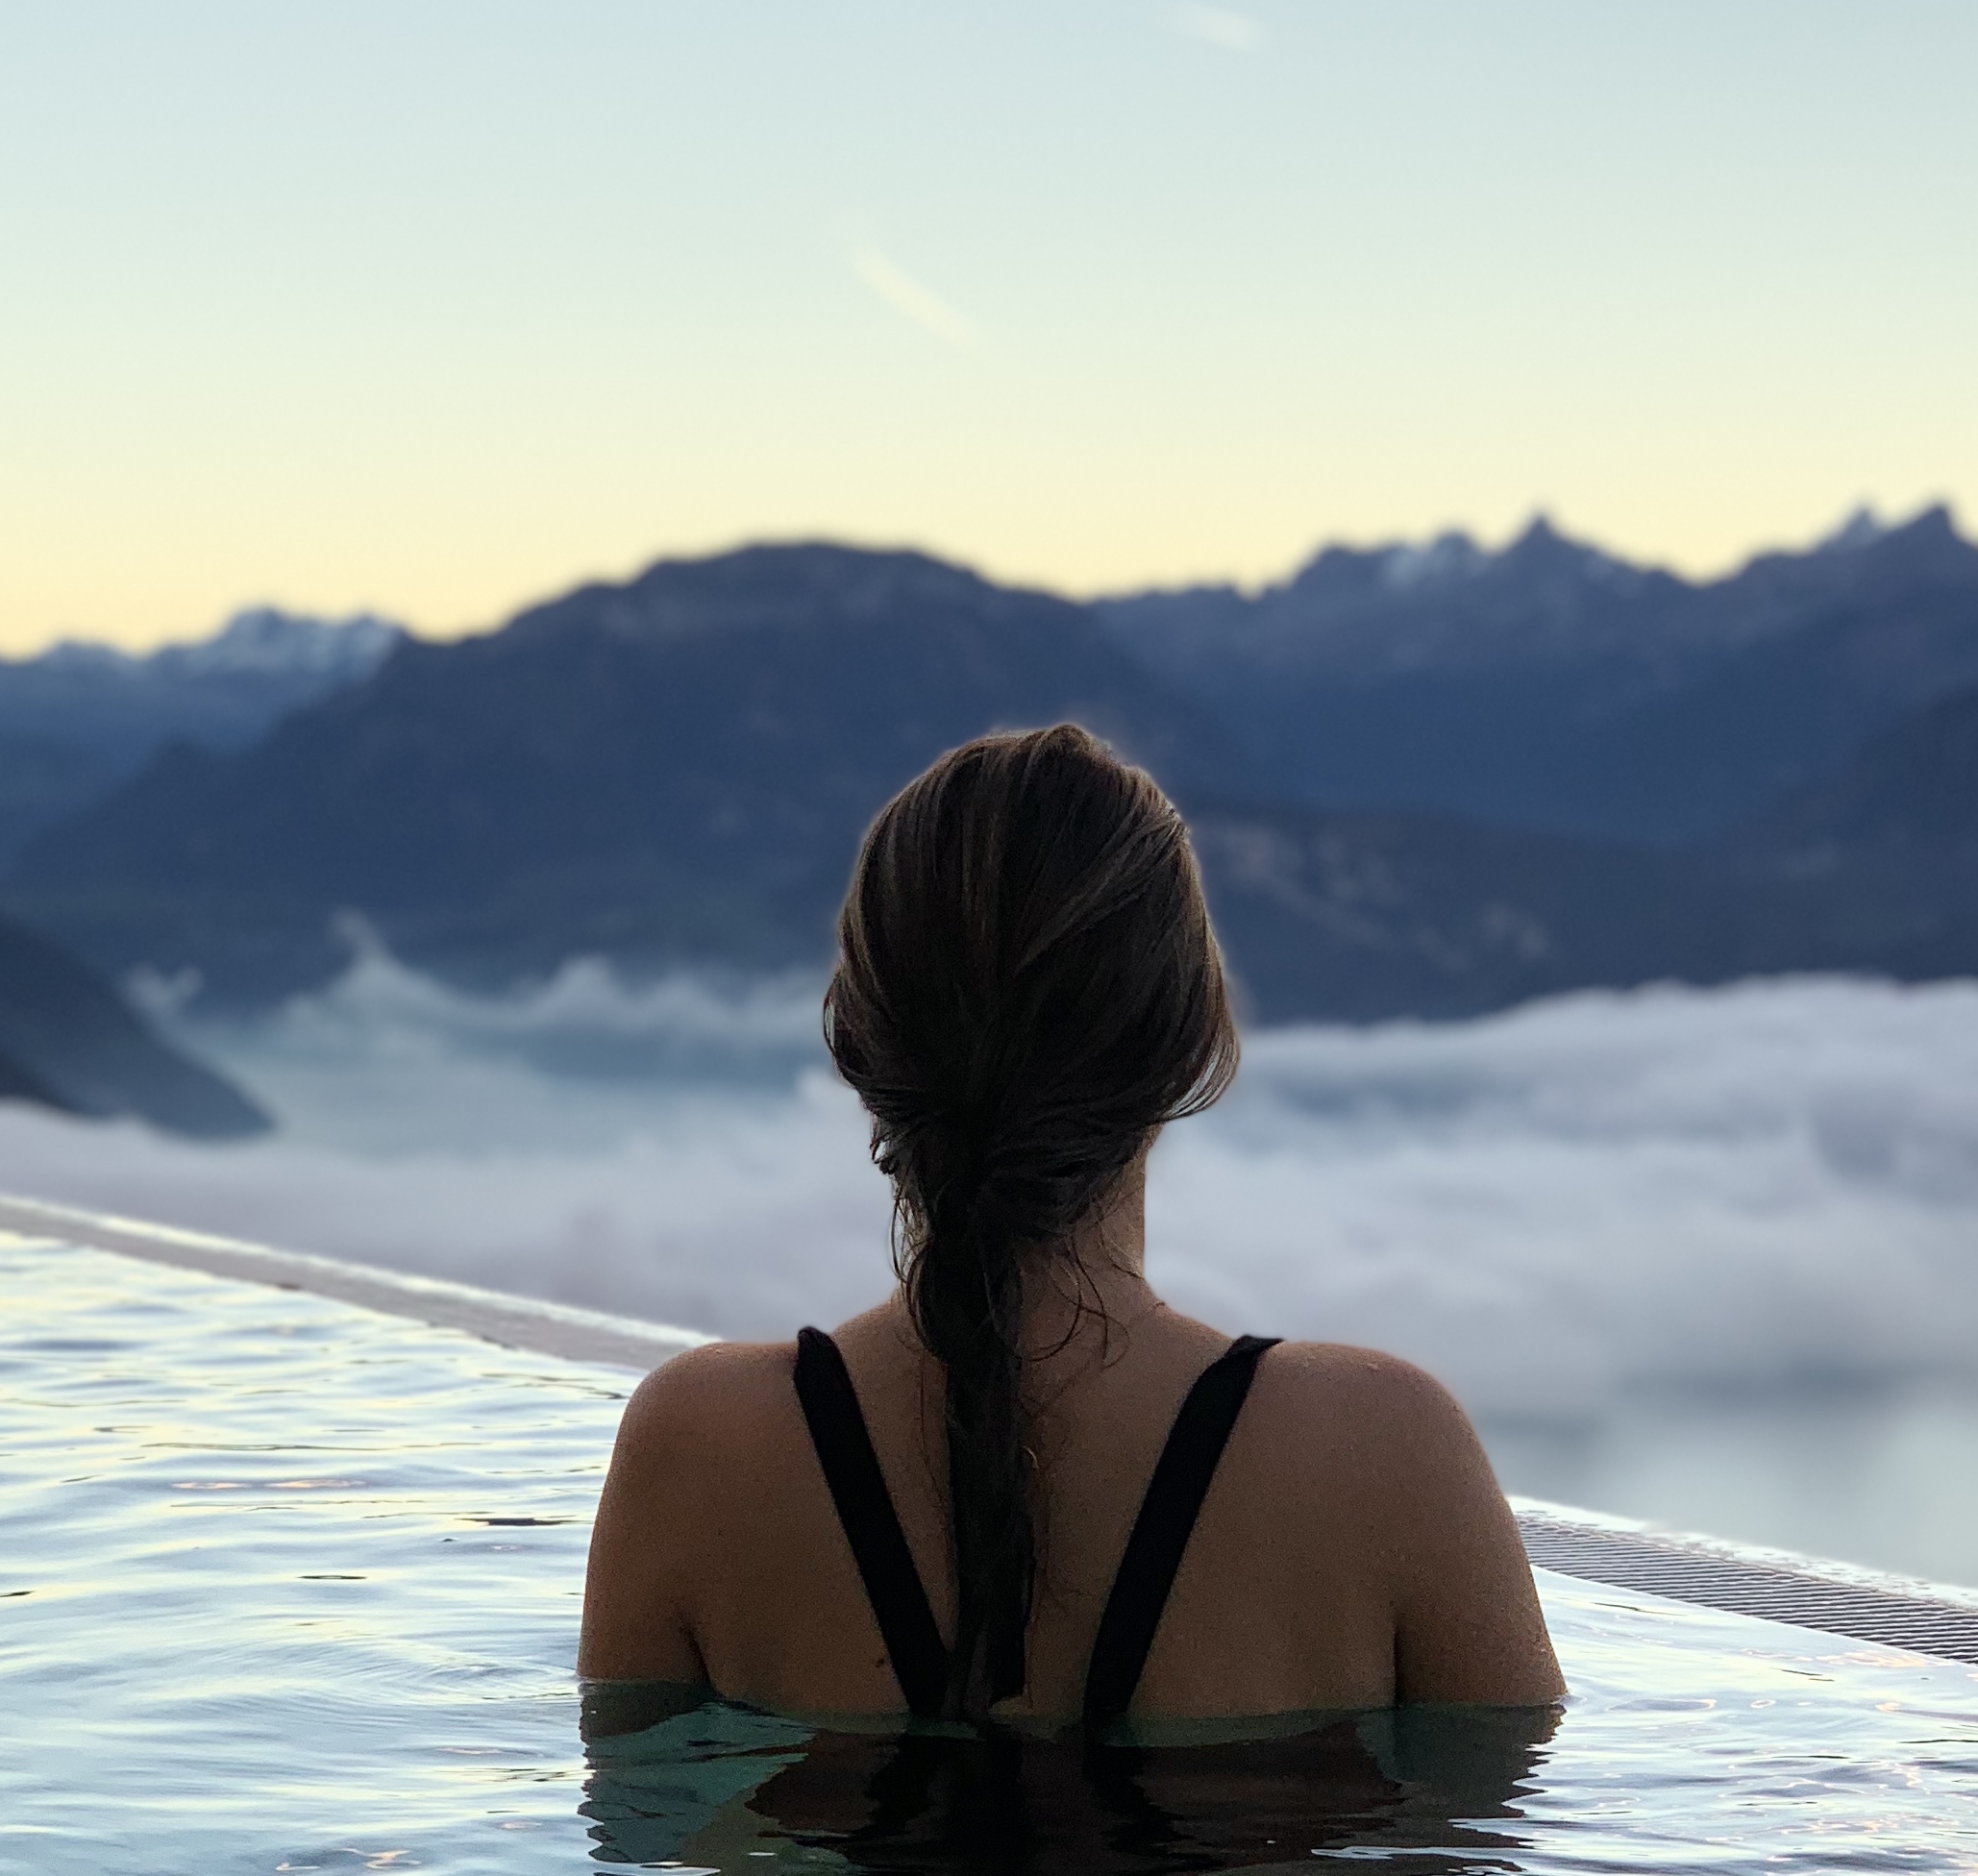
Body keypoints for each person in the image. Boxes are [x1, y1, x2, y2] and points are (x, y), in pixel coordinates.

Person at [579, 722, 1563, 1732]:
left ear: (862, 1049)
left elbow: (638, 1858)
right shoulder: (1385, 1455)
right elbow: (1514, 1864)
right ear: (1188, 1047)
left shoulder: (695, 1449)